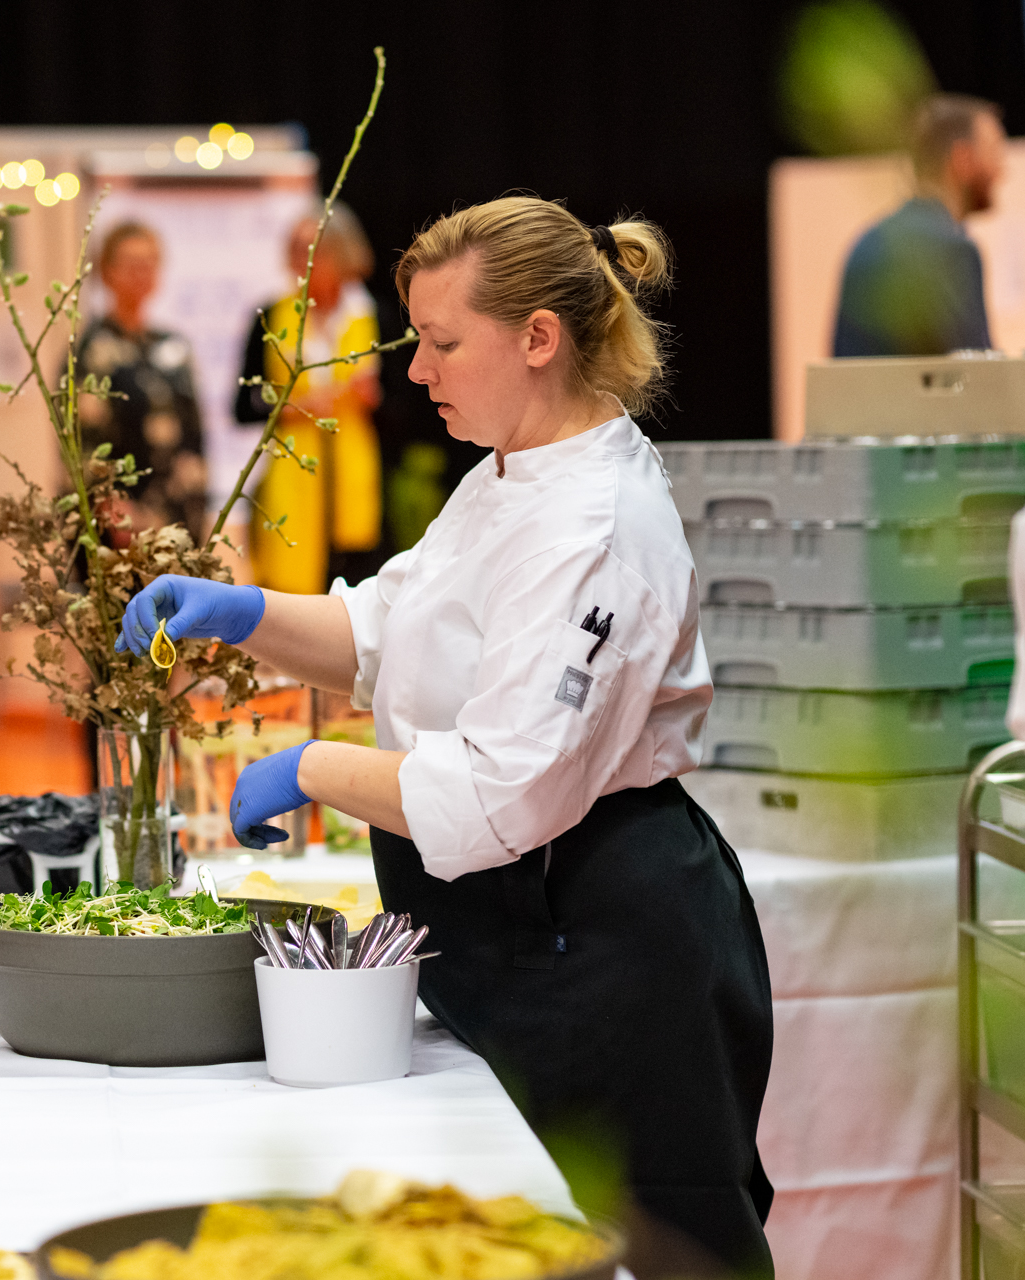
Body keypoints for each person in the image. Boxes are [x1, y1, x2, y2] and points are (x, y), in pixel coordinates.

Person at [123, 198, 774, 1279]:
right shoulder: (507, 470)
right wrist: (243, 611)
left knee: (653, 1249)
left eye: (441, 342)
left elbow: (501, 794)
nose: (416, 369)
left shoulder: (594, 525)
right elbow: (383, 630)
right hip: (516, 926)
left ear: (538, 338)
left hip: (602, 933)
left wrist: (313, 766)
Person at [233, 204, 386, 593]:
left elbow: (407, 408)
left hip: (358, 477)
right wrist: (293, 407)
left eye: (315, 248)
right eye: (296, 249)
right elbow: (243, 404)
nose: (304, 260)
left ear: (343, 253)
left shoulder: (373, 316)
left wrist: (374, 397)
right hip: (290, 478)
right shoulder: (270, 315)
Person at [833, 93, 1007, 357]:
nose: (1001, 171)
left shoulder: (867, 242)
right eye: (993, 153)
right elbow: (975, 371)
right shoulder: (954, 250)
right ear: (962, 159)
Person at [74, 222, 208, 538]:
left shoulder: (174, 347)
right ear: (107, 271)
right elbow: (83, 438)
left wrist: (198, 504)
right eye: (131, 264)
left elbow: (194, 432)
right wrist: (110, 508)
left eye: (149, 264)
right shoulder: (93, 350)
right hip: (122, 523)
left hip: (178, 515)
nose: (141, 273)